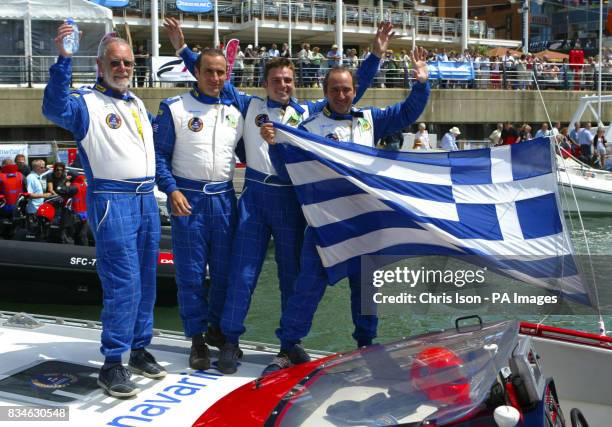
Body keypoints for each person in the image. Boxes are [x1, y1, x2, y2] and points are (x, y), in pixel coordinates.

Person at [164, 17, 386, 374]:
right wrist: (181, 48)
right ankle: (231, 340)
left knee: (292, 275)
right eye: (276, 81)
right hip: (254, 196)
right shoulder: (249, 105)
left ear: (295, 84)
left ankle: (288, 345)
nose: (283, 85)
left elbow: (350, 93)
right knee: (243, 272)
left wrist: (375, 53)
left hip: (291, 201)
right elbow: (212, 75)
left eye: (288, 80)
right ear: (265, 84)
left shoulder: (308, 113)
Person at [259, 45, 430, 375]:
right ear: (325, 92)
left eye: (347, 89)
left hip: (365, 223)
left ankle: (367, 346)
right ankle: (287, 347)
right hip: (325, 224)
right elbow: (286, 172)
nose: (341, 94)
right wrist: (275, 146)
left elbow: (407, 112)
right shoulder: (307, 127)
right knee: (307, 288)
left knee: (366, 292)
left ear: (355, 91)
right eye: (335, 89)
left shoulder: (370, 120)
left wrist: (421, 81)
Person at [42, 25, 164, 398]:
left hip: (146, 199)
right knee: (122, 283)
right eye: (115, 62)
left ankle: (139, 348)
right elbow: (53, 107)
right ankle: (113, 363)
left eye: (128, 62)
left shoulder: (136, 102)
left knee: (146, 279)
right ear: (99, 65)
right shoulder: (85, 103)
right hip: (113, 200)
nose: (123, 67)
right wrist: (63, 59)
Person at [154, 48, 245, 372]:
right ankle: (196, 339)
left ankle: (216, 329)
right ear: (197, 71)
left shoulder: (236, 111)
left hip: (223, 200)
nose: (216, 78)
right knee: (191, 275)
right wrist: (172, 190)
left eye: (221, 72)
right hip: (188, 201)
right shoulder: (175, 108)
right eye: (210, 71)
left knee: (223, 274)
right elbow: (159, 156)